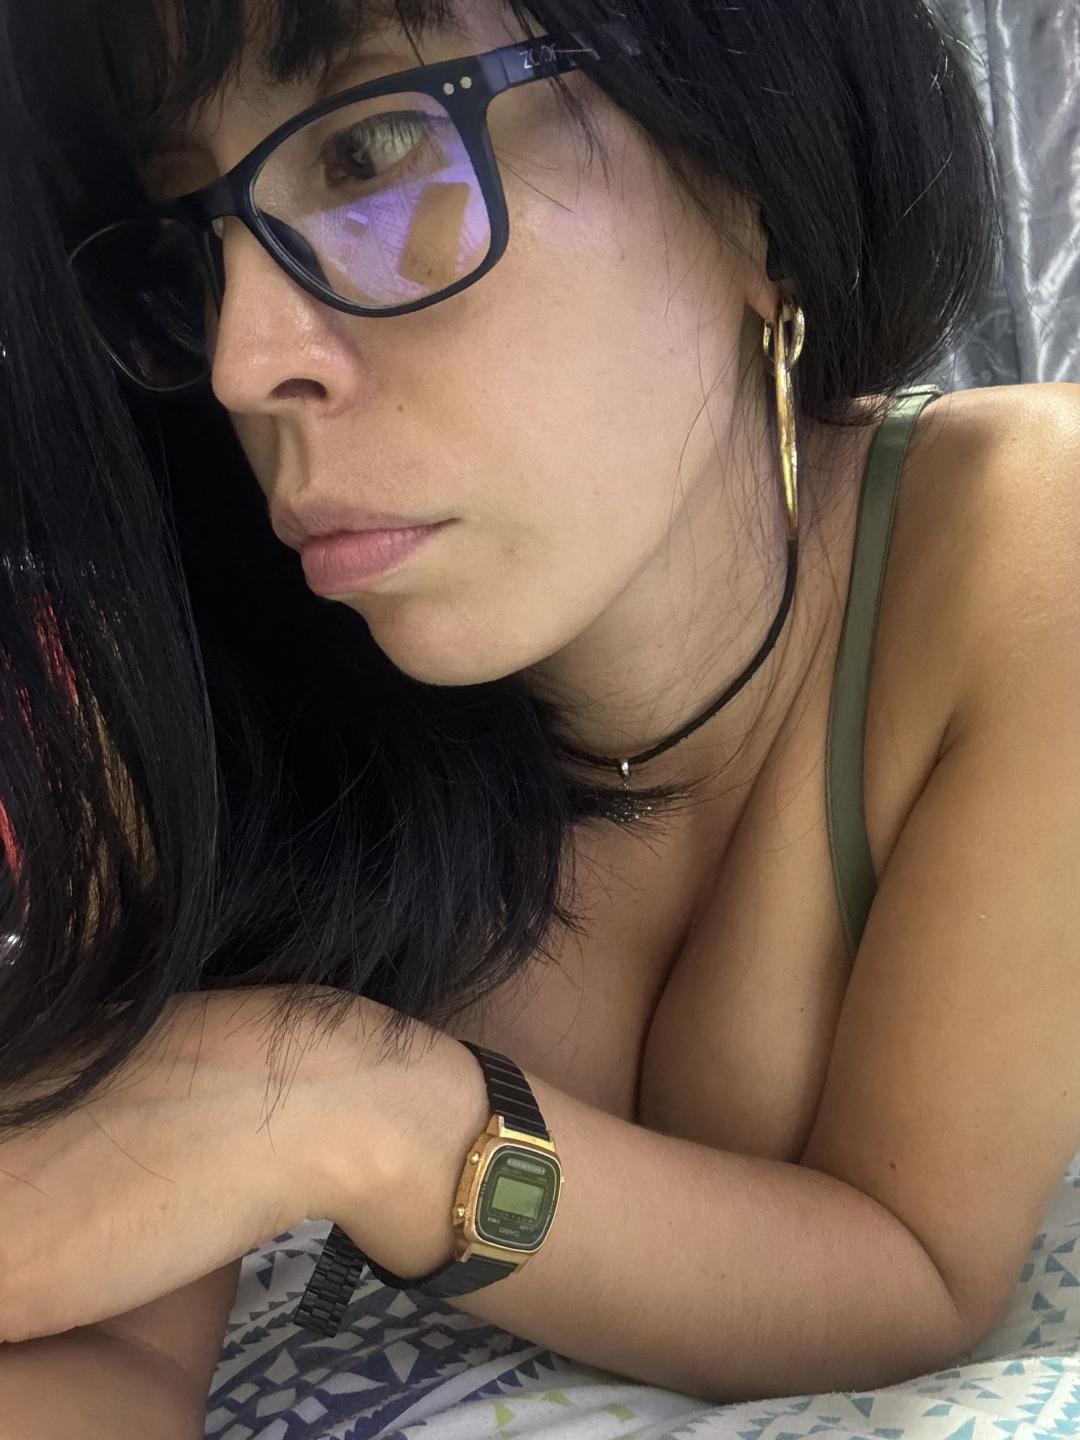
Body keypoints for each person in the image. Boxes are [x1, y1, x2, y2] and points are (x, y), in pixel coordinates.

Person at [0, 0, 1078, 1428]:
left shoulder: (1028, 555)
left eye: (372, 152)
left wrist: (352, 1109)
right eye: (192, 238)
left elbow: (918, 1275)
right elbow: (93, 1333)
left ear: (748, 181)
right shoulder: (216, 706)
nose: (243, 361)